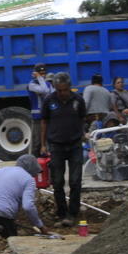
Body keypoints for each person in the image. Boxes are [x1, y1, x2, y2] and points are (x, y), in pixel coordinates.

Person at [39, 72, 86, 224]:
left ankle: (73, 213)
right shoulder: (49, 101)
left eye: (65, 90)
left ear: (69, 88)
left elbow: (82, 118)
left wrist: (83, 134)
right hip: (56, 146)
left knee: (75, 180)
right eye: (59, 90)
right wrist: (43, 144)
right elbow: (44, 122)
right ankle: (61, 213)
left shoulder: (78, 100)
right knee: (57, 181)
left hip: (75, 145)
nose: (62, 93)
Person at [0, 154, 49, 238]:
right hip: (3, 217)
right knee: (6, 246)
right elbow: (28, 206)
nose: (35, 176)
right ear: (32, 168)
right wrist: (41, 226)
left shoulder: (1, 170)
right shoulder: (28, 179)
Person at [27, 63, 53, 153]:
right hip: (37, 117)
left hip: (48, 117)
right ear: (35, 73)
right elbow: (44, 90)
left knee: (49, 141)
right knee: (37, 142)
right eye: (40, 73)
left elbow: (50, 94)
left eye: (44, 73)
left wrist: (41, 79)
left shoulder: (48, 84)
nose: (43, 75)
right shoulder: (32, 84)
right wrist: (39, 78)